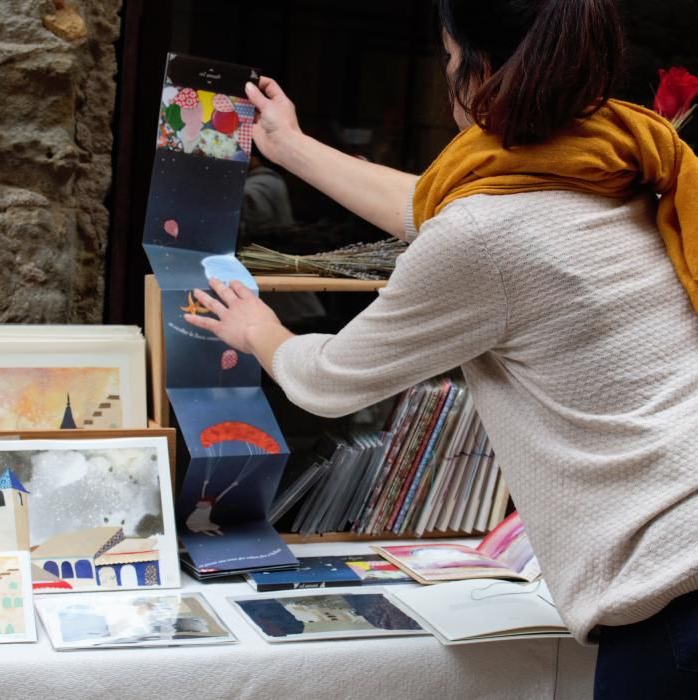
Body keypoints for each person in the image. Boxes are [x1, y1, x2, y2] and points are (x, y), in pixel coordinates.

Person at [185, 1, 698, 697]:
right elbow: (442, 213)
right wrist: (291, 147)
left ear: (480, 72)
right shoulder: (627, 165)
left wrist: (258, 330)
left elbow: (334, 380)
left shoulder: (489, 230)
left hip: (673, 596)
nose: (446, 77)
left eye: (449, 60)